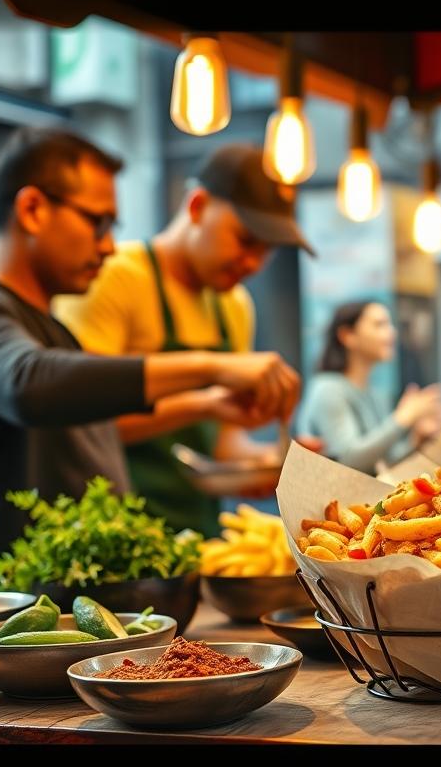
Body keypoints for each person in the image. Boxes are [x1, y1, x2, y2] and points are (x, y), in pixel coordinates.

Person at [0, 127, 300, 592]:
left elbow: (84, 411)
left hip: (69, 608)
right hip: (2, 615)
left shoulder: (55, 332)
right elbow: (28, 384)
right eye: (96, 222)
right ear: (32, 210)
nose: (106, 246)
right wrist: (211, 368)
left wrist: (206, 408)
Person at [55, 144, 317, 536]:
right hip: (114, 536)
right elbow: (82, 421)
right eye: (245, 240)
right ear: (197, 206)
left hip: (200, 536)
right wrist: (204, 403)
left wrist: (264, 464)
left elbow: (222, 442)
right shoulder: (113, 278)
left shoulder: (234, 305)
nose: (253, 263)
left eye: (266, 250)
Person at [296, 301, 441, 474]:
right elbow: (349, 459)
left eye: (390, 324)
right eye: (379, 325)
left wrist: (416, 439)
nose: (392, 332)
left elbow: (380, 462)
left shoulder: (373, 392)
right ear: (347, 335)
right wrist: (404, 418)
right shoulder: (327, 389)